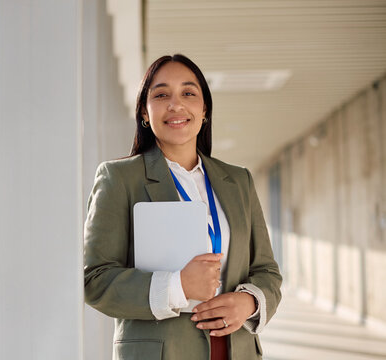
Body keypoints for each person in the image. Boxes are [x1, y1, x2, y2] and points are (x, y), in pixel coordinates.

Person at [84, 54, 282, 360]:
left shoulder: (239, 181)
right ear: (145, 113)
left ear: (204, 111)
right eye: (161, 95)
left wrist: (249, 303)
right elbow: (95, 280)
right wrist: (178, 284)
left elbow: (267, 271)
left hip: (235, 350)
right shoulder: (118, 178)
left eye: (188, 93)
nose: (176, 105)